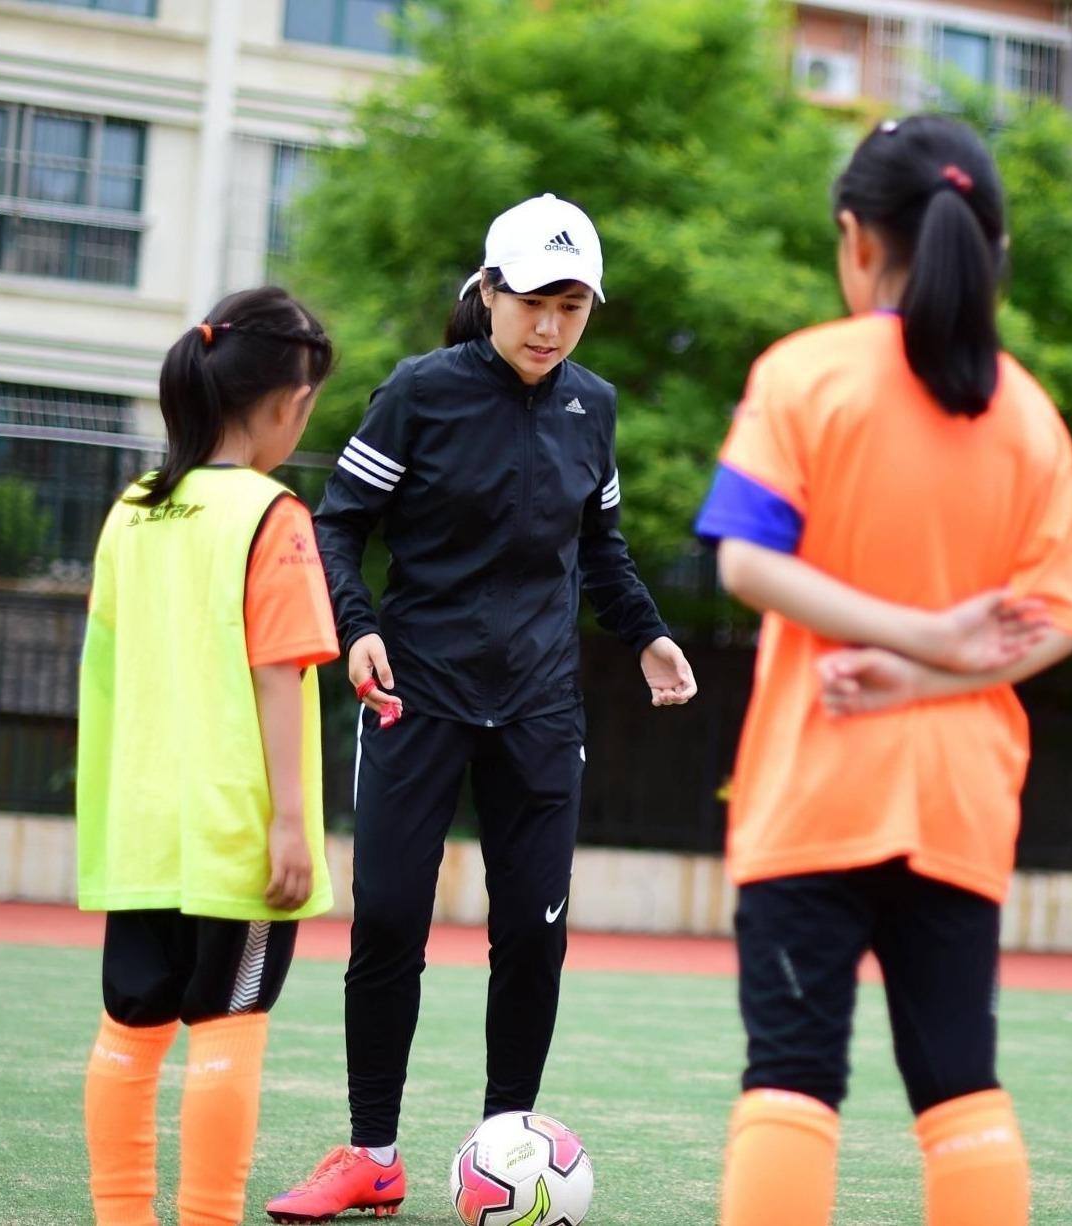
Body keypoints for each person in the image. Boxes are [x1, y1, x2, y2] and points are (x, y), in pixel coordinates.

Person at [267, 193, 697, 1222]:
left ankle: (510, 1145)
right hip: (415, 695)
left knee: (534, 935)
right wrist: (358, 625)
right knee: (390, 921)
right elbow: (339, 527)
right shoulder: (420, 392)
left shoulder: (594, 406)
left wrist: (647, 633)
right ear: (490, 292)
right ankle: (373, 1151)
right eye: (534, 301)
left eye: (573, 305)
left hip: (542, 709)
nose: (551, 326)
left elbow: (600, 548)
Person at [701, 115, 1072, 1226]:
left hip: (817, 783)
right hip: (962, 799)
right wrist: (935, 661)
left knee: (790, 1077)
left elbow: (744, 562)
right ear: (992, 251)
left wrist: (908, 649)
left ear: (855, 239)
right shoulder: (1032, 416)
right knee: (960, 1085)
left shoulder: (806, 371)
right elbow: (1055, 622)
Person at [76, 287, 339, 1226]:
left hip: (139, 828)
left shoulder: (131, 514)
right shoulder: (272, 516)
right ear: (286, 404)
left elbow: (109, 672)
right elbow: (278, 677)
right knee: (229, 1028)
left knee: (129, 1030)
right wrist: (289, 824)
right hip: (233, 834)